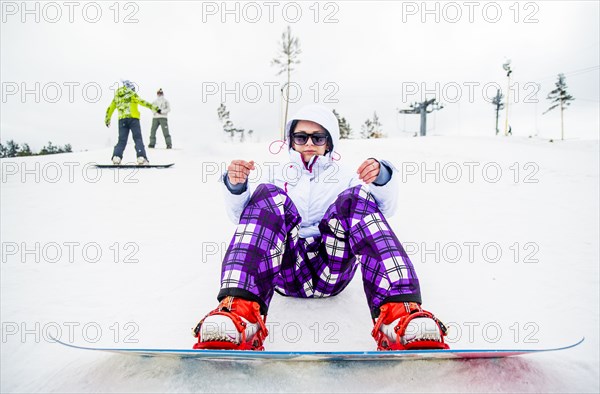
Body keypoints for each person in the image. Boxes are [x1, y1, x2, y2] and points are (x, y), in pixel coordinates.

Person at [192, 105, 448, 351]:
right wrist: (236, 186)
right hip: (285, 269)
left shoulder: (346, 175)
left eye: (318, 137)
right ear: (291, 140)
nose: (309, 145)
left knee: (356, 197)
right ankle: (238, 312)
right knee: (267, 194)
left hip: (332, 267)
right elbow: (245, 220)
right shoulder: (276, 173)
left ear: (330, 142)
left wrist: (381, 178)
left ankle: (400, 314)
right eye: (301, 137)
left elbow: (384, 210)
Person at [105, 80, 160, 165]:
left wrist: (107, 119)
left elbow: (110, 108)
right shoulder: (132, 94)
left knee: (122, 140)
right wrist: (155, 108)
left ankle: (116, 157)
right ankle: (141, 157)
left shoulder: (117, 96)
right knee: (137, 139)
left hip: (122, 120)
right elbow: (143, 102)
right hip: (133, 119)